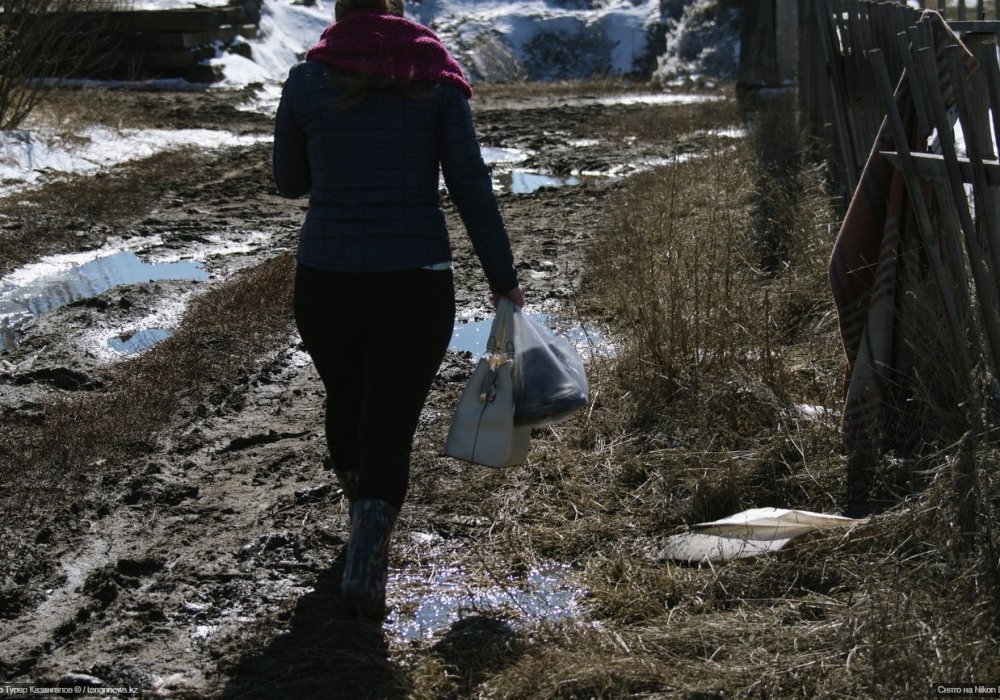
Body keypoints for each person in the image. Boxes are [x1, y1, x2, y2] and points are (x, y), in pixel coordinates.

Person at [272, 0, 524, 621]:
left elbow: (289, 180)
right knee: (389, 423)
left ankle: (361, 519)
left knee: (346, 399)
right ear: (398, 8)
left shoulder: (307, 79)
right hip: (415, 282)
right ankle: (369, 546)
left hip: (326, 279)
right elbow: (470, 183)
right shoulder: (435, 79)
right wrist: (503, 278)